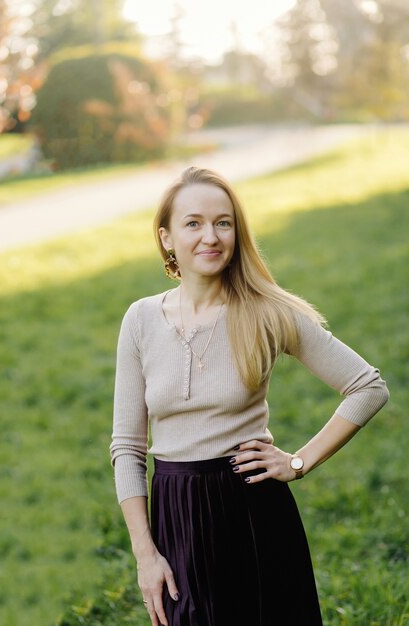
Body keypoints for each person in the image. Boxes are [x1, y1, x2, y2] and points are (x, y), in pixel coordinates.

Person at [109, 165, 389, 626]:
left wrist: (298, 462)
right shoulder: (140, 320)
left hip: (253, 508)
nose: (211, 236)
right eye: (193, 223)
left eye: (224, 222)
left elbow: (367, 387)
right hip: (175, 512)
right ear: (166, 237)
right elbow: (127, 447)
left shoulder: (266, 312)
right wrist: (145, 554)